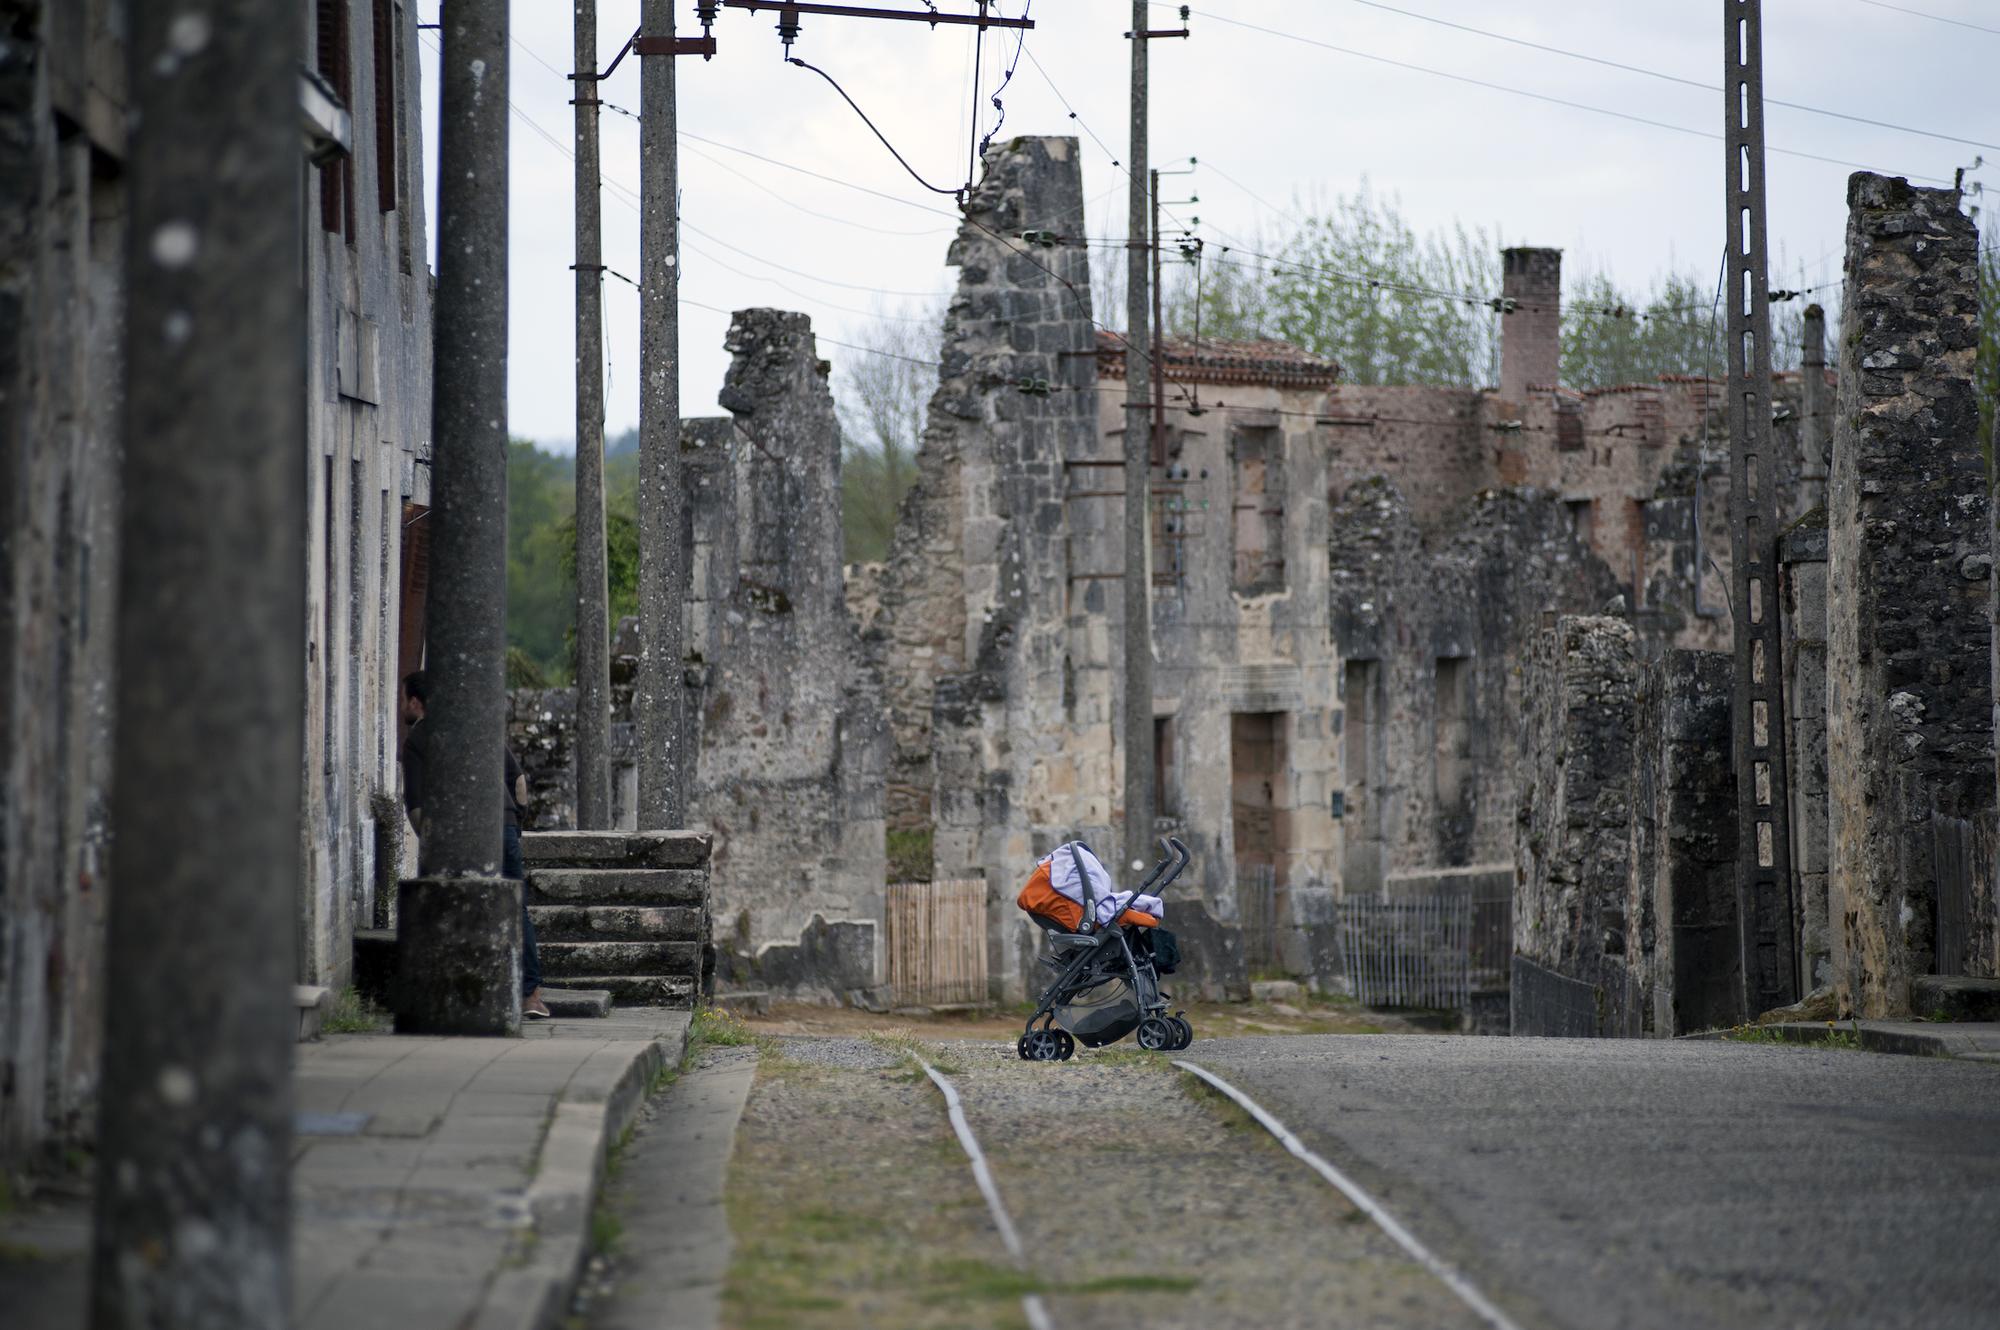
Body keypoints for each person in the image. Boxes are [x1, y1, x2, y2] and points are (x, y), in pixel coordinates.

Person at [401, 671, 550, 1019]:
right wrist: (516, 821)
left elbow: (417, 806)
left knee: (456, 902)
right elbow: (521, 782)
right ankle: (532, 996)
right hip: (506, 825)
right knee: (517, 909)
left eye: (404, 699)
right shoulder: (477, 727)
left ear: (415, 702)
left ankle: (462, 990)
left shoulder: (419, 739)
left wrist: (435, 846)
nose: (402, 706)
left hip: (461, 833)